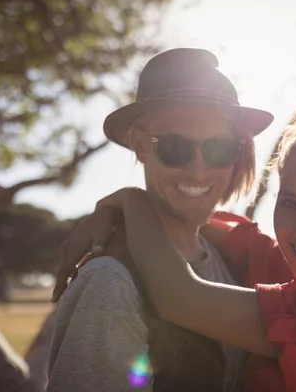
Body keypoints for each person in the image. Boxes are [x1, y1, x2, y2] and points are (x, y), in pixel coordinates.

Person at [55, 77, 296, 391]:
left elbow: (180, 296)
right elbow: (225, 230)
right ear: (139, 146)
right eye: (174, 147)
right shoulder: (281, 267)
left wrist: (132, 201)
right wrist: (129, 218)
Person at [46, 48, 274, 392]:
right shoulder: (111, 281)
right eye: (174, 147)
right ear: (140, 145)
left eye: (219, 149)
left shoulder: (236, 260)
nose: (198, 170)